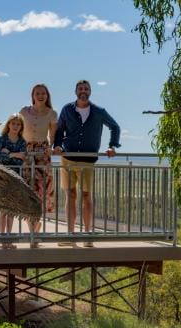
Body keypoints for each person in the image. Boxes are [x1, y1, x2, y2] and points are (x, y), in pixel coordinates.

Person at [53, 80, 120, 247]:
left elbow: (115, 127)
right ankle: (70, 235)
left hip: (88, 160)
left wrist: (111, 146)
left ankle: (88, 235)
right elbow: (60, 130)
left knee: (86, 196)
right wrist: (58, 145)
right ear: (75, 91)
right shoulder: (67, 109)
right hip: (67, 159)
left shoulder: (99, 111)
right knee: (70, 195)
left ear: (90, 92)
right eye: (80, 89)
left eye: (86, 89)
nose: (83, 91)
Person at [19, 83, 58, 247]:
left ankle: (35, 227)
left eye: (43, 93)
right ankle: (33, 229)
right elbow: (16, 131)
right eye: (37, 93)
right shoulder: (24, 111)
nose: (40, 95)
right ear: (32, 95)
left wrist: (51, 148)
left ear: (47, 95)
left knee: (41, 191)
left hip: (42, 154)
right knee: (27, 190)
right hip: (27, 153)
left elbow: (53, 136)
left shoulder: (52, 113)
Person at [0, 113, 27, 249]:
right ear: (8, 125)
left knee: (11, 210)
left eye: (18, 124)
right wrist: (14, 155)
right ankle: (2, 239)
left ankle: (9, 238)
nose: (15, 126)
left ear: (21, 127)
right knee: (3, 209)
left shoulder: (22, 141)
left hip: (15, 178)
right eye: (13, 123)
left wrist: (8, 153)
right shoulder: (2, 139)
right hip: (2, 177)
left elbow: (21, 159)